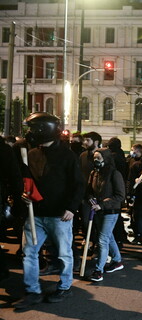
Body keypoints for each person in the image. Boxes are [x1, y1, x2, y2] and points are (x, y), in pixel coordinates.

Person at [14, 112, 85, 309]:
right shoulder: (31, 154)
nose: (30, 132)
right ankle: (32, 291)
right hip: (35, 213)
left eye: (33, 128)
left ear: (44, 129)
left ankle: (65, 286)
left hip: (60, 215)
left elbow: (79, 185)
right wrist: (25, 194)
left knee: (64, 254)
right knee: (29, 253)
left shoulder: (67, 155)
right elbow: (29, 182)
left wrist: (72, 208)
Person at [86, 148, 126, 282]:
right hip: (98, 211)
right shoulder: (94, 173)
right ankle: (117, 260)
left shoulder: (115, 174)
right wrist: (91, 199)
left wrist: (102, 204)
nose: (95, 160)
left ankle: (99, 270)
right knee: (108, 237)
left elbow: (120, 196)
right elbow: (89, 190)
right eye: (94, 158)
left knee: (102, 240)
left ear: (106, 159)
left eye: (98, 158)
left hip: (111, 211)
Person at [0, 136, 23, 281]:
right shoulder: (5, 150)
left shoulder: (4, 150)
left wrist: (17, 202)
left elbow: (15, 177)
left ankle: (2, 269)